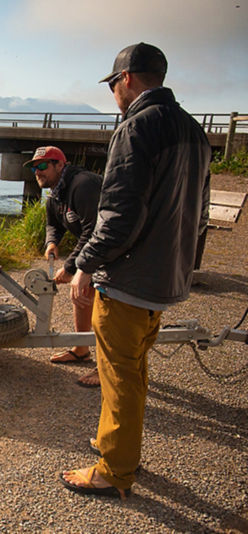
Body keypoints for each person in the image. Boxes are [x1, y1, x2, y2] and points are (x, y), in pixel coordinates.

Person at [60, 42, 210, 499]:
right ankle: (117, 445)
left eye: (112, 85)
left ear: (126, 79)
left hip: (129, 280)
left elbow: (120, 213)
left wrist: (86, 263)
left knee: (119, 375)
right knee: (133, 370)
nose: (113, 94)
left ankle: (114, 469)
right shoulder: (194, 131)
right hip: (166, 277)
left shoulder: (136, 127)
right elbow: (199, 215)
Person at [23, 146, 103, 387]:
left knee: (105, 305)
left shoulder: (83, 185)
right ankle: (81, 349)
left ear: (60, 164)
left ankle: (108, 367)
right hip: (97, 250)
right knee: (80, 294)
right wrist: (51, 243)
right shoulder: (56, 193)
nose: (37, 171)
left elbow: (94, 229)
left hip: (119, 251)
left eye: (43, 166)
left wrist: (69, 268)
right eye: (35, 167)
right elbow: (53, 224)